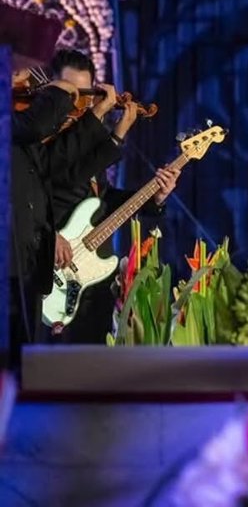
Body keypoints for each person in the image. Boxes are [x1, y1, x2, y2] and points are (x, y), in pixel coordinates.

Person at [46, 49, 179, 343]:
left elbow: (101, 201)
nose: (79, 106)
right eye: (70, 95)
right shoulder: (43, 137)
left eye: (87, 96)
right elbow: (65, 178)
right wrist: (116, 136)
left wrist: (154, 197)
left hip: (91, 274)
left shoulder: (90, 140)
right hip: (51, 271)